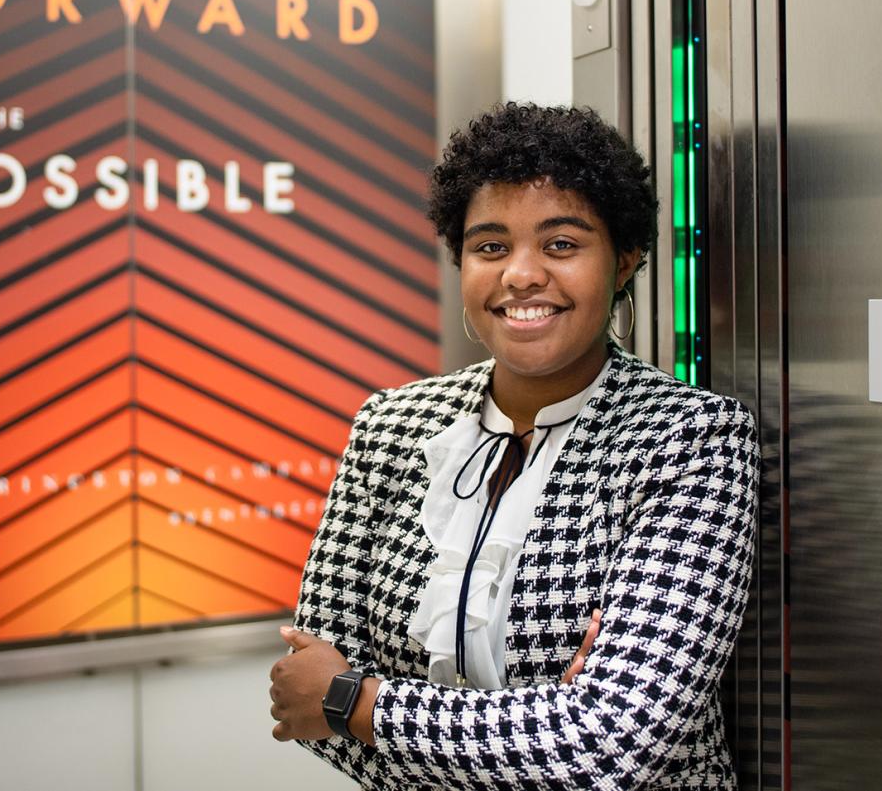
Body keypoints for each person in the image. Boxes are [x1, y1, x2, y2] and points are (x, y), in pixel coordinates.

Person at [268, 102, 759, 790]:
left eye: (561, 244)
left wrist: (359, 699)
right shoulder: (389, 426)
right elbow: (302, 697)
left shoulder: (689, 440)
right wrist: (544, 729)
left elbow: (610, 747)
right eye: (491, 246)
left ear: (624, 262)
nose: (521, 274)